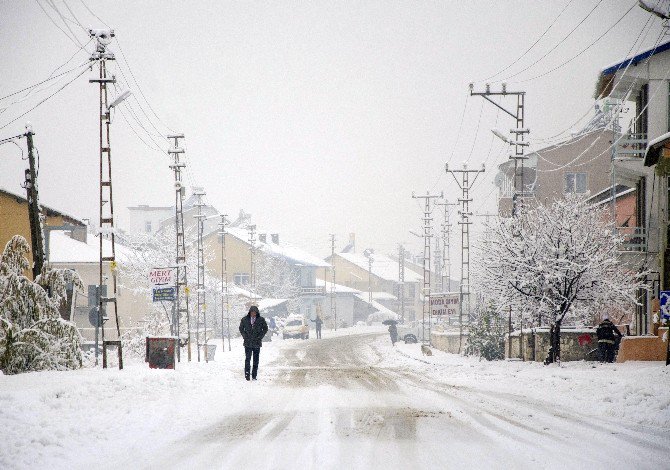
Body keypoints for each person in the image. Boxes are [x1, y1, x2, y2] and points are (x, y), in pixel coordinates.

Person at [239, 305, 268, 380]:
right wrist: (245, 336)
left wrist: (260, 337)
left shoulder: (261, 320)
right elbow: (241, 328)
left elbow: (265, 329)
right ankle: (247, 375)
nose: (253, 314)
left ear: (257, 313)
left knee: (256, 360)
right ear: (249, 312)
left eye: (254, 312)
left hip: (257, 343)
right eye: (252, 312)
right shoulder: (244, 319)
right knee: (247, 359)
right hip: (247, 343)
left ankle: (254, 375)